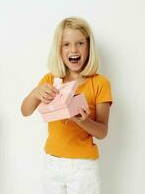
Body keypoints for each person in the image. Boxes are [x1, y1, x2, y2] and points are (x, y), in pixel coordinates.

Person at [21, 17, 112, 194]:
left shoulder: (100, 83)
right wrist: (35, 92)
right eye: (66, 44)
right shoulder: (50, 80)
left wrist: (81, 119)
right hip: (52, 163)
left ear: (89, 46)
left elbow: (102, 132)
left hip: (83, 168)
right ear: (59, 49)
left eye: (80, 43)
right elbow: (25, 111)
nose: (73, 49)